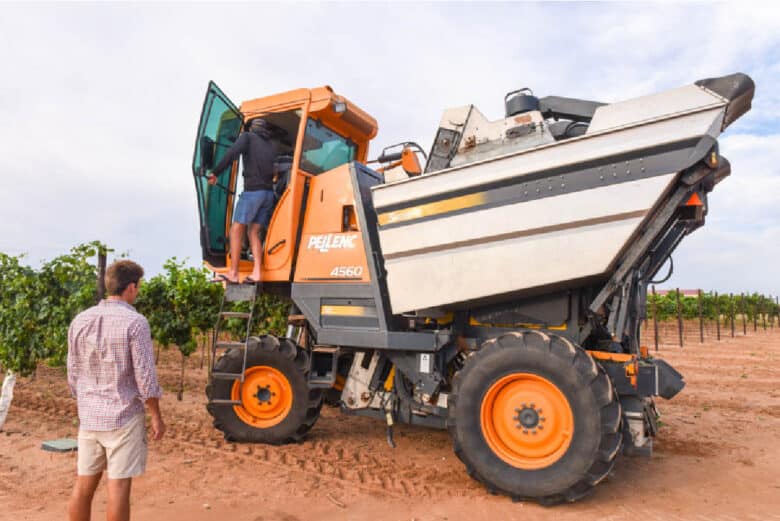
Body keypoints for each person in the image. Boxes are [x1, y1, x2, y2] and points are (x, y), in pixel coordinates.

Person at [67, 260, 164, 521]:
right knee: (118, 487)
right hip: (123, 417)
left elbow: (73, 372)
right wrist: (155, 415)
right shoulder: (135, 323)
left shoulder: (80, 320)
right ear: (131, 287)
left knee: (83, 487)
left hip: (89, 418)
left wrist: (87, 402)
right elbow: (145, 377)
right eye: (138, 286)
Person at [208, 117, 276, 284]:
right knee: (253, 232)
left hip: (253, 192)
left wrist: (216, 172)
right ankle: (257, 272)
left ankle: (233, 272)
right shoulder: (272, 145)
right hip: (268, 194)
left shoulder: (247, 137)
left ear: (251, 128)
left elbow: (232, 153)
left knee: (236, 228)